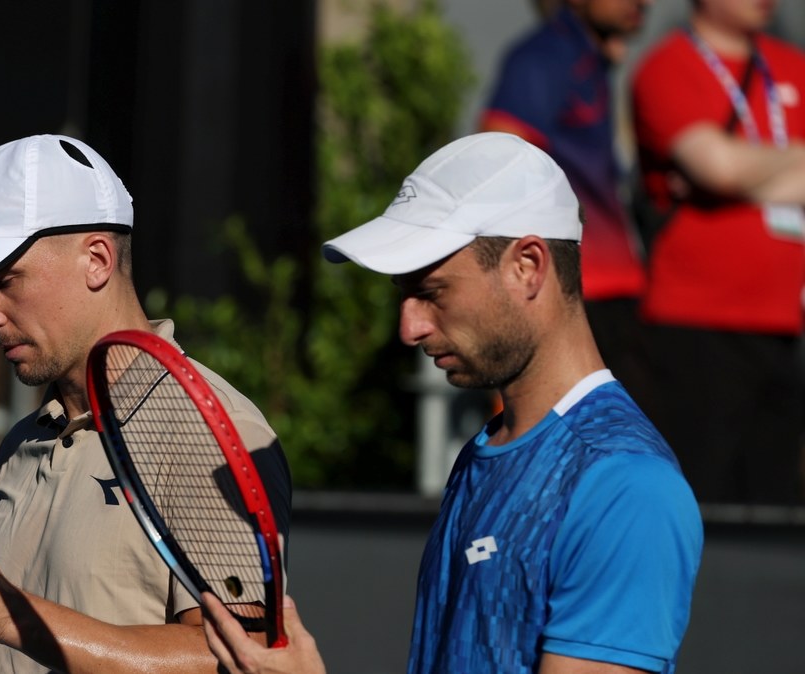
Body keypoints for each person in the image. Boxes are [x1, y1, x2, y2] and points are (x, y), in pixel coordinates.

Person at [202, 132, 702, 673]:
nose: (409, 327)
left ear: (528, 266)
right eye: (405, 295)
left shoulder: (626, 485)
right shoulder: (486, 452)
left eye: (434, 291)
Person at [0, 134, 292, 673]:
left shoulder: (211, 427)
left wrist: (9, 615)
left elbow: (243, 661)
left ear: (96, 260)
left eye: (3, 281)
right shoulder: (21, 443)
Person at [630, 0, 805, 504]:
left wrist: (741, 174)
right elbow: (717, 166)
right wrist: (790, 158)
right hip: (695, 327)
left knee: (773, 506)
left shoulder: (791, 65)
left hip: (781, 326)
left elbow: (725, 171)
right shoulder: (669, 65)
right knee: (699, 500)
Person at [480, 0, 654, 404]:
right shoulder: (546, 54)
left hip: (609, 294)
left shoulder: (586, 57)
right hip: (576, 294)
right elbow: (498, 156)